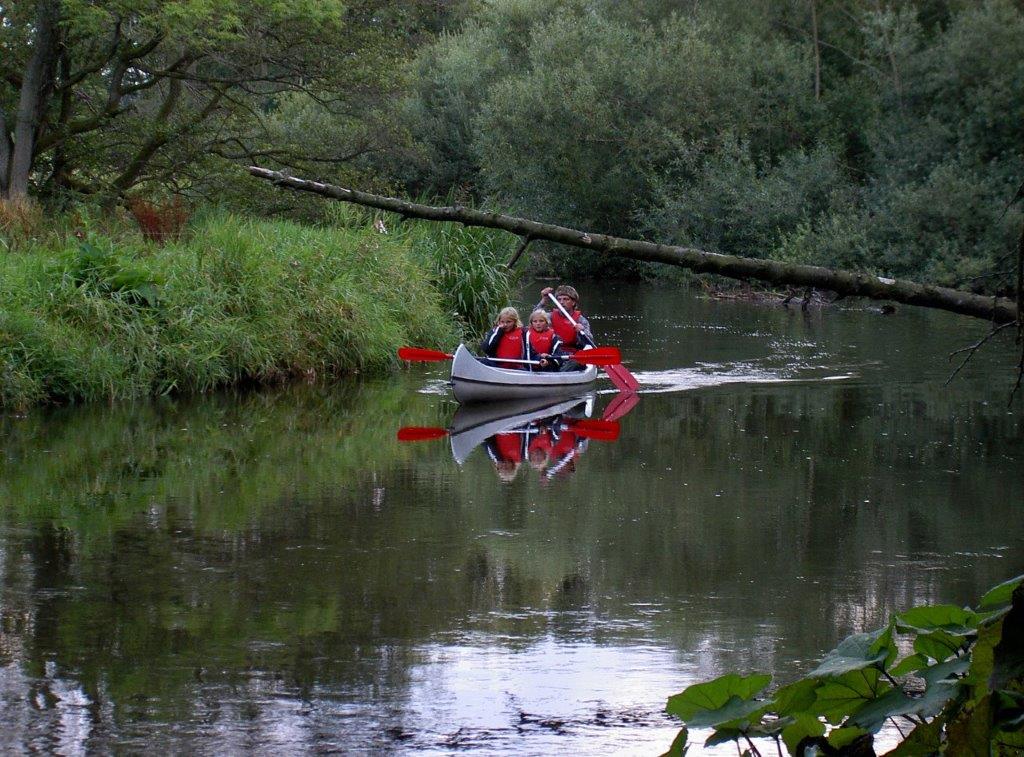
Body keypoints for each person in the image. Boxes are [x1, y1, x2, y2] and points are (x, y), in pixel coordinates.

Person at [537, 285, 595, 371]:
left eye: (565, 299)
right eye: (559, 299)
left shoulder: (581, 320)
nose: (561, 302)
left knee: (576, 362)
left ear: (573, 302)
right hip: (553, 354)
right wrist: (544, 300)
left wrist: (582, 331)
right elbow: (535, 317)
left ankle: (559, 373)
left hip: (572, 356)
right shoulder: (549, 317)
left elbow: (590, 343)